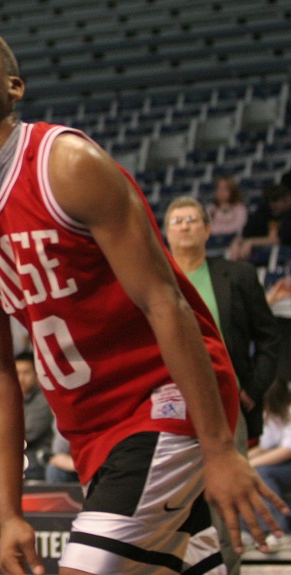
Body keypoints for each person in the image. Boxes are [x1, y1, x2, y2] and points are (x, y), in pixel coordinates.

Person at [0, 20, 287, 575]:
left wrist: (219, 448)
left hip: (164, 401)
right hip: (92, 432)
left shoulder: (66, 165)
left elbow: (165, 302)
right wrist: (9, 511)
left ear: (14, 86)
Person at [164, 195, 280, 574]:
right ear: (165, 232)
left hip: (226, 403)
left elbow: (269, 339)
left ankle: (228, 569)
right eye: (177, 220)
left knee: (225, 501)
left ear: (207, 228)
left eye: (192, 219)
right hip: (166, 407)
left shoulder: (238, 276)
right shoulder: (154, 276)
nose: (184, 226)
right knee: (169, 500)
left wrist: (250, 391)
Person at [243, 378, 291, 551]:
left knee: (262, 472)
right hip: (282, 465)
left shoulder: (289, 411)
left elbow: (287, 450)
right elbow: (265, 446)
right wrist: (242, 460)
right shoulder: (270, 415)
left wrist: (253, 464)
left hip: (287, 463)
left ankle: (279, 532)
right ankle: (247, 530)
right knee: (242, 475)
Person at [228, 182, 291, 263]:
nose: (273, 205)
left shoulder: (288, 215)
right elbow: (246, 233)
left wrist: (251, 242)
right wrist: (237, 242)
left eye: (276, 200)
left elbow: (279, 239)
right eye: (270, 201)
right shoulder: (262, 212)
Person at [15, 351, 53, 481]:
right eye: (17, 373)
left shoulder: (44, 400)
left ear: (37, 375)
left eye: (26, 373)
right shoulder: (10, 399)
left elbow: (28, 434)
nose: (21, 378)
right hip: (16, 452)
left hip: (38, 455)